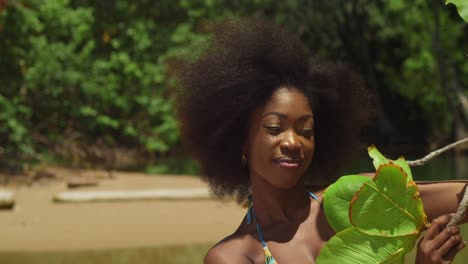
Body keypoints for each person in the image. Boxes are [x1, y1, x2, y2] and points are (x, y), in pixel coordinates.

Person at [175, 18, 467, 263]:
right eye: (275, 128)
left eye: (306, 131)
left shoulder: (355, 199)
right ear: (241, 141)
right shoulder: (233, 257)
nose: (292, 142)